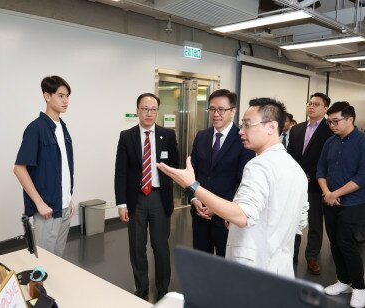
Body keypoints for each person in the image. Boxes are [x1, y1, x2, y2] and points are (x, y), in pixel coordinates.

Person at [158, 98, 308, 278]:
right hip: (280, 268)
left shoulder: (259, 165)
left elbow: (242, 216)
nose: (242, 132)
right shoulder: (295, 168)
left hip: (254, 268)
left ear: (271, 127)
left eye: (247, 125)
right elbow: (300, 220)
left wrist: (193, 186)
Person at [115, 93, 179, 302]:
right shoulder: (127, 136)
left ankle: (163, 289)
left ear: (157, 112)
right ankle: (141, 288)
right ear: (137, 110)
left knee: (160, 246)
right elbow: (121, 172)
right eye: (145, 108)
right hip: (136, 200)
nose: (149, 113)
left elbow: (175, 168)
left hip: (160, 198)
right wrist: (121, 203)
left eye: (153, 109)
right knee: (137, 246)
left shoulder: (167, 135)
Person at [14, 76, 75, 257]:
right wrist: (39, 203)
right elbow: (19, 169)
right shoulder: (36, 128)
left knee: (58, 259)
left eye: (67, 96)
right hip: (47, 210)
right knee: (43, 262)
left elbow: (62, 168)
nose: (66, 101)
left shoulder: (62, 128)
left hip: (64, 207)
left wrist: (69, 197)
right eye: (61, 96)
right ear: (47, 96)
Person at [189, 89, 254, 256]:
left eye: (221, 109)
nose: (215, 114)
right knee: (201, 260)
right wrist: (195, 197)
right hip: (200, 212)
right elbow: (193, 173)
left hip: (226, 217)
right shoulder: (201, 136)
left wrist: (217, 207)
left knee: (226, 263)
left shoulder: (243, 139)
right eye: (212, 109)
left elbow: (243, 180)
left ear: (233, 111)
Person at [317, 101, 365, 308]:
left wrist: (335, 193)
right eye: (329, 122)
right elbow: (320, 170)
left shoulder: (362, 142)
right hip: (330, 200)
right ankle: (344, 281)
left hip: (353, 203)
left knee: (347, 243)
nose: (332, 126)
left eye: (336, 121)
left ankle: (360, 287)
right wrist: (328, 193)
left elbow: (362, 176)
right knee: (335, 243)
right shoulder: (330, 142)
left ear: (350, 119)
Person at [287, 92, 333, 274]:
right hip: (294, 183)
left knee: (314, 223)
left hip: (315, 185)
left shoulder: (330, 131)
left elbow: (327, 160)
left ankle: (312, 257)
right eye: (309, 103)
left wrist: (310, 176)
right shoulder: (296, 129)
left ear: (325, 109)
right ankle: (291, 253)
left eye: (316, 104)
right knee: (292, 219)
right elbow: (290, 154)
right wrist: (295, 174)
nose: (311, 106)